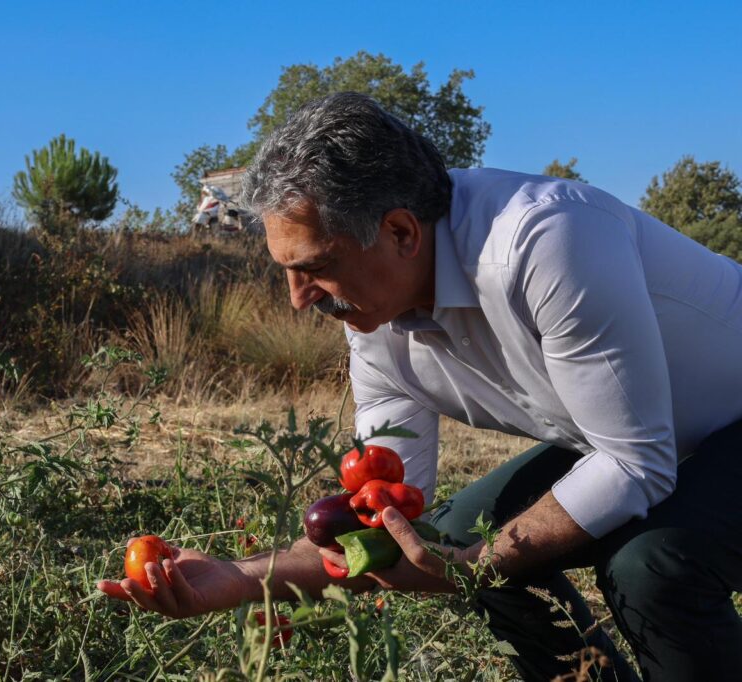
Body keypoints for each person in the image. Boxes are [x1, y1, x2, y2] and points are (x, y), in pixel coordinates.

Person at [98, 92, 742, 681]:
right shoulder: (374, 316)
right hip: (641, 435)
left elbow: (635, 464)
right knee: (457, 535)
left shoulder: (545, 242)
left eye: (316, 268)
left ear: (402, 232)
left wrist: (480, 565)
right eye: (286, 272)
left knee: (653, 566)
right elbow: (389, 516)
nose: (297, 301)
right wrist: (240, 578)